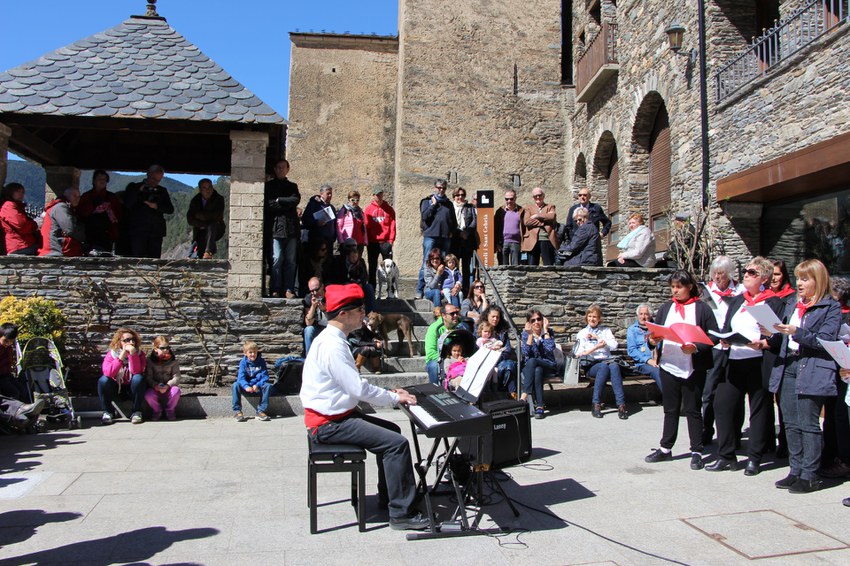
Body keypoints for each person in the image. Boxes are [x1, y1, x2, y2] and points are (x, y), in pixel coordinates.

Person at [300, 283, 429, 531]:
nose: (364, 314)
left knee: (393, 431)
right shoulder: (332, 346)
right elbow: (358, 389)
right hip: (329, 424)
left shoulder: (333, 339)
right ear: (343, 314)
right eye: (359, 310)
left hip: (337, 416)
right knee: (396, 444)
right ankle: (402, 514)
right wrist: (395, 398)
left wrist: (391, 393)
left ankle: (391, 496)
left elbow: (354, 385)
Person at [767, 259, 841, 493]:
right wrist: (770, 333)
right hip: (788, 364)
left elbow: (825, 340)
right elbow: (784, 336)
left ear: (817, 280)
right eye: (798, 278)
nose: (799, 283)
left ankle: (810, 475)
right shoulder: (793, 303)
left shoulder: (830, 307)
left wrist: (797, 332)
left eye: (805, 279)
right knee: (790, 423)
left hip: (813, 367)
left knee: (808, 424)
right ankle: (796, 470)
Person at [707, 257, 785, 475]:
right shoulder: (738, 300)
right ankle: (726, 456)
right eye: (747, 271)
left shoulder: (773, 302)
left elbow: (778, 337)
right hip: (734, 359)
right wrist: (724, 338)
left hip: (758, 361)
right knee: (722, 404)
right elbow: (726, 326)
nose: (746, 275)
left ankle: (755, 458)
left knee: (759, 408)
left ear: (764, 279)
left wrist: (765, 342)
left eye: (752, 272)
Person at [644, 270, 719, 470]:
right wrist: (652, 340)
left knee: (693, 409)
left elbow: (714, 336)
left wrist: (696, 347)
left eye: (679, 287)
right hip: (669, 364)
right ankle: (665, 448)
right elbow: (654, 333)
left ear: (690, 287)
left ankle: (697, 451)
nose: (675, 291)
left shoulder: (702, 309)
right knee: (670, 409)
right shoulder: (666, 307)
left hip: (692, 367)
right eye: (672, 287)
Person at [701, 255, 744, 446]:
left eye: (721, 274)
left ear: (730, 274)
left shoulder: (741, 291)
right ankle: (706, 430)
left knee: (736, 391)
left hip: (736, 346)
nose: (718, 277)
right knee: (709, 390)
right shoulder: (707, 291)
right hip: (715, 346)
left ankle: (735, 432)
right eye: (715, 274)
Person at [575, 304, 627, 420]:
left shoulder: (605, 331)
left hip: (607, 361)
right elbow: (579, 353)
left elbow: (614, 345)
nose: (592, 319)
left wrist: (599, 339)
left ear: (599, 318)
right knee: (603, 367)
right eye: (590, 316)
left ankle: (621, 405)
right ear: (586, 317)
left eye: (595, 316)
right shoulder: (582, 333)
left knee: (614, 366)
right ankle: (596, 404)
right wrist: (596, 347)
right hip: (592, 365)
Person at [821, 276, 850, 479]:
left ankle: (844, 460)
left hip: (844, 370)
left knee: (841, 416)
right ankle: (832, 455)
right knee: (833, 415)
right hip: (835, 369)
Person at [265, 159, 301, 298]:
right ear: (275, 169)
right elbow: (269, 205)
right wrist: (287, 204)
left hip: (291, 228)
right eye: (278, 167)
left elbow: (295, 200)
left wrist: (279, 200)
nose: (281, 169)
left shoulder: (292, 186)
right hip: (275, 228)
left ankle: (288, 289)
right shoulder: (269, 186)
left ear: (288, 169)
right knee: (277, 258)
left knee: (291, 260)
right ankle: (275, 288)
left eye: (283, 167)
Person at [98, 327, 147, 425]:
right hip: (116, 388)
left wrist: (132, 354)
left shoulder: (140, 354)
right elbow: (108, 373)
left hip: (132, 388)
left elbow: (136, 371)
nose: (131, 342)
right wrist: (122, 355)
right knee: (103, 380)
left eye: (133, 339)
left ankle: (136, 412)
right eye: (126, 340)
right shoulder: (112, 354)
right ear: (119, 342)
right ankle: (108, 412)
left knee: (138, 378)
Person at [123, 164, 174, 258]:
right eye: (153, 179)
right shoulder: (134, 187)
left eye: (158, 180)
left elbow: (170, 209)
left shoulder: (162, 191)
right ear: (148, 174)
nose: (155, 182)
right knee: (137, 260)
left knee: (154, 261)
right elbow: (127, 204)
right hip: (138, 231)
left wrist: (156, 206)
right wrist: (139, 191)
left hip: (156, 232)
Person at [417, 179, 456, 299]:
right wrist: (433, 205)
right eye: (439, 188)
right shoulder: (427, 201)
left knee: (443, 263)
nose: (441, 190)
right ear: (435, 188)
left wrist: (452, 231)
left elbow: (453, 221)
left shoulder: (448, 204)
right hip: (431, 236)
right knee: (426, 262)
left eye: (443, 188)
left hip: (445, 237)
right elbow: (424, 217)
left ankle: (443, 289)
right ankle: (420, 290)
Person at [520, 309, 557, 419]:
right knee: (537, 370)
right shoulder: (525, 334)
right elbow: (525, 353)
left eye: (539, 319)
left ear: (543, 320)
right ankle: (540, 406)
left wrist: (545, 331)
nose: (536, 322)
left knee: (533, 361)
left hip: (548, 365)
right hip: (532, 368)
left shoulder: (549, 331)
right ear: (529, 323)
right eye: (533, 320)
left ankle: (524, 394)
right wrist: (530, 335)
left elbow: (550, 348)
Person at [77, 170, 122, 254]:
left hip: (107, 236)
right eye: (99, 179)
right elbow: (80, 214)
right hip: (89, 235)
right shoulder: (86, 196)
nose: (102, 181)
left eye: (104, 179)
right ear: (94, 181)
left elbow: (118, 215)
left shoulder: (112, 198)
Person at [327, 238, 375, 314]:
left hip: (358, 285)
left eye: (354, 246)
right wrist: (347, 283)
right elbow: (336, 277)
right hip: (344, 285)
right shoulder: (339, 261)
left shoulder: (361, 262)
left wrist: (360, 283)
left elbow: (365, 276)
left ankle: (370, 312)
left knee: (369, 287)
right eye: (349, 246)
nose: (352, 248)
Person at [143, 336, 182, 421]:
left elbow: (177, 376)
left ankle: (170, 410)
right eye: (162, 348)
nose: (166, 350)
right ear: (155, 349)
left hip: (168, 387)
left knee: (176, 391)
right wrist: (155, 386)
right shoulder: (150, 361)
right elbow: (148, 377)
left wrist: (168, 385)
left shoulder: (173, 361)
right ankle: (157, 410)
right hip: (156, 387)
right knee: (148, 394)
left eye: (167, 347)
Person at [39, 187, 85, 257]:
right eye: (74, 195)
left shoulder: (64, 207)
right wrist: (83, 235)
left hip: (54, 247)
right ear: (67, 196)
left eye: (79, 196)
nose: (77, 198)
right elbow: (70, 229)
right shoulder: (61, 207)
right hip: (56, 248)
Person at [364, 187, 396, 289]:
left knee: (389, 268)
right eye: (377, 195)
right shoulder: (368, 209)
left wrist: (391, 240)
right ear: (373, 196)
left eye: (381, 194)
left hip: (385, 242)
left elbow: (392, 225)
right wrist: (366, 240)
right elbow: (366, 226)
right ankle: (372, 289)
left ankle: (390, 289)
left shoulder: (389, 209)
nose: (379, 197)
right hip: (372, 242)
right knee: (372, 267)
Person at [424, 304, 464, 385]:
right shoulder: (434, 328)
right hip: (438, 359)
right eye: (452, 314)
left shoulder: (462, 326)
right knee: (433, 366)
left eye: (456, 313)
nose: (455, 315)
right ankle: (435, 389)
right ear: (444, 316)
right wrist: (447, 360)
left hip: (457, 356)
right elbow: (431, 352)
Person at [233, 341, 272, 422]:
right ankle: (238, 411)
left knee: (268, 386)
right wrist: (246, 386)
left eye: (255, 352)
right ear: (245, 353)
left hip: (257, 388)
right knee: (235, 385)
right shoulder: (243, 363)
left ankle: (260, 411)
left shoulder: (261, 362)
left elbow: (265, 377)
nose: (253, 354)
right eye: (250, 352)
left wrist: (258, 385)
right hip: (247, 388)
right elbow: (241, 378)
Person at [186, 178, 226, 259]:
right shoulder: (195, 200)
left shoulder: (218, 199)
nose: (208, 190)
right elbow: (190, 219)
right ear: (200, 190)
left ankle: (208, 251)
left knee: (212, 225)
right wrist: (203, 223)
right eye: (205, 188)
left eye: (209, 187)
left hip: (216, 229)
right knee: (200, 250)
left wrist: (201, 216)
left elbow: (218, 215)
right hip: (200, 229)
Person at [627, 304, 662, 393]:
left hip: (661, 361)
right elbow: (632, 350)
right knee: (657, 371)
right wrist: (648, 360)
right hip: (642, 364)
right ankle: (670, 399)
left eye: (646, 314)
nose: (643, 317)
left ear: (650, 315)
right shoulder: (632, 330)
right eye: (641, 314)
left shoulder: (657, 328)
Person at [483, 306, 517, 395]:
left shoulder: (502, 331)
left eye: (497, 317)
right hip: (486, 360)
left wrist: (498, 357)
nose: (495, 319)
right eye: (493, 316)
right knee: (509, 365)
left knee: (510, 365)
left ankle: (511, 393)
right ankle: (509, 392)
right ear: (487, 316)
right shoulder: (482, 329)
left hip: (500, 359)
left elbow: (507, 350)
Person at [449, 187, 477, 295]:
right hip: (454, 240)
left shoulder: (470, 207)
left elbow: (474, 221)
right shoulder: (450, 207)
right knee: (453, 266)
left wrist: (467, 232)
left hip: (467, 240)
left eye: (462, 195)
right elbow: (448, 222)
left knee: (467, 268)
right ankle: (454, 290)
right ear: (454, 197)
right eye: (457, 195)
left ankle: (466, 292)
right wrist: (458, 232)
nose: (460, 197)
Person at [521, 187, 557, 266]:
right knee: (532, 266)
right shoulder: (528, 208)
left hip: (546, 239)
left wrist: (537, 216)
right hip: (532, 240)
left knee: (548, 265)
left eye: (540, 195)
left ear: (543, 196)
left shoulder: (550, 206)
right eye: (535, 196)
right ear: (533, 197)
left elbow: (552, 216)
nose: (538, 197)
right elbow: (527, 222)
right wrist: (543, 221)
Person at [1, 183, 40, 255]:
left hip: (24, 244)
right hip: (19, 245)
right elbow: (21, 226)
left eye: (23, 192)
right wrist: (35, 225)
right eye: (18, 191)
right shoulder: (9, 206)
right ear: (10, 192)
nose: (21, 194)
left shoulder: (17, 207)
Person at [301, 184, 337, 249]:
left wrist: (334, 237)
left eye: (331, 193)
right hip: (317, 242)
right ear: (321, 194)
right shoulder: (314, 204)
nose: (330, 195)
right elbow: (305, 220)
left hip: (329, 241)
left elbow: (335, 223)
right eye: (328, 193)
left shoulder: (332, 207)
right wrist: (316, 223)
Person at [494, 189, 523, 265]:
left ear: (515, 198)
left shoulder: (521, 211)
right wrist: (496, 244)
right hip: (503, 243)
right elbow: (495, 228)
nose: (509, 201)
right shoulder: (500, 211)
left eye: (511, 199)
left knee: (516, 267)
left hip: (516, 242)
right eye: (507, 199)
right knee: (503, 267)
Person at [0, 323, 26, 401]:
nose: (8, 343)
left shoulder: (8, 348)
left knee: (22, 390)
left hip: (7, 375)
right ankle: (14, 408)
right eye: (5, 341)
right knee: (14, 393)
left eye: (11, 341)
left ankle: (25, 406)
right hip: (1, 377)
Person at [336, 190, 367, 255]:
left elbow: (363, 227)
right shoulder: (344, 210)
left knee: (358, 260)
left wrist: (365, 240)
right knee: (347, 260)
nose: (355, 202)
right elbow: (338, 226)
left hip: (359, 242)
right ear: (349, 200)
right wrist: (341, 241)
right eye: (353, 200)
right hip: (348, 242)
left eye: (357, 200)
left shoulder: (360, 212)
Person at [303, 277, 327, 355]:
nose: (315, 293)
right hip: (318, 327)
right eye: (312, 291)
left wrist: (324, 310)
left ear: (322, 286)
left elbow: (336, 319)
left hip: (330, 327)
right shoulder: (309, 298)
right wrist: (313, 306)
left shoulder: (330, 296)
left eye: (317, 289)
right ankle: (309, 358)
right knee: (308, 330)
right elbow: (308, 323)